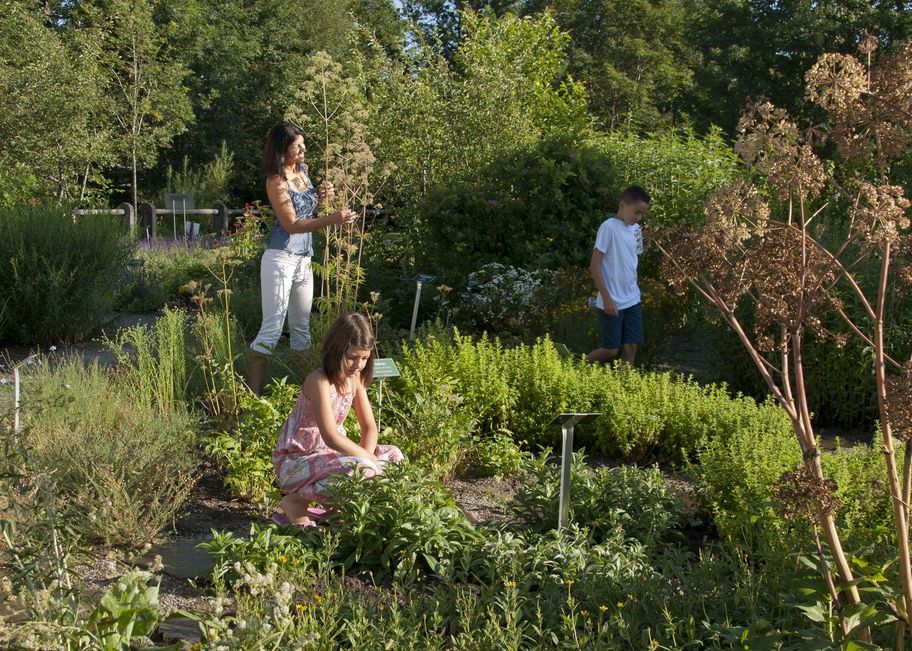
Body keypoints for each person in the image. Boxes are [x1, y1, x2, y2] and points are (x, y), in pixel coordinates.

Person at [246, 122, 358, 396]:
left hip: (303, 259)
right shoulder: (276, 180)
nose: (304, 149)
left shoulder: (303, 172)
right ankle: (251, 396)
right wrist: (332, 219)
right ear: (283, 149)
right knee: (272, 329)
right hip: (280, 259)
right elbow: (292, 225)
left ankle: (307, 395)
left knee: (301, 330)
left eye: (303, 144)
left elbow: (308, 211)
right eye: (298, 145)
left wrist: (322, 198)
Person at [272, 313, 404, 526]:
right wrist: (366, 462)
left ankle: (339, 509)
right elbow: (331, 437)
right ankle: (295, 502)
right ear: (336, 351)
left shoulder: (356, 379)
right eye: (352, 357)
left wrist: (368, 458)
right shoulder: (319, 381)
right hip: (297, 462)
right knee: (364, 467)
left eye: (364, 358)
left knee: (394, 456)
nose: (358, 365)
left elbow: (369, 427)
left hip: (328, 459)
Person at [586, 185, 650, 366]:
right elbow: (595, 264)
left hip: (632, 298)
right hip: (612, 299)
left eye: (642, 214)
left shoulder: (637, 230)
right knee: (611, 349)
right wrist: (606, 299)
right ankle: (577, 366)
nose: (639, 217)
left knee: (631, 345)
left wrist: (635, 289)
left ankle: (624, 386)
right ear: (622, 205)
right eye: (637, 212)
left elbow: (630, 262)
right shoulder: (609, 227)